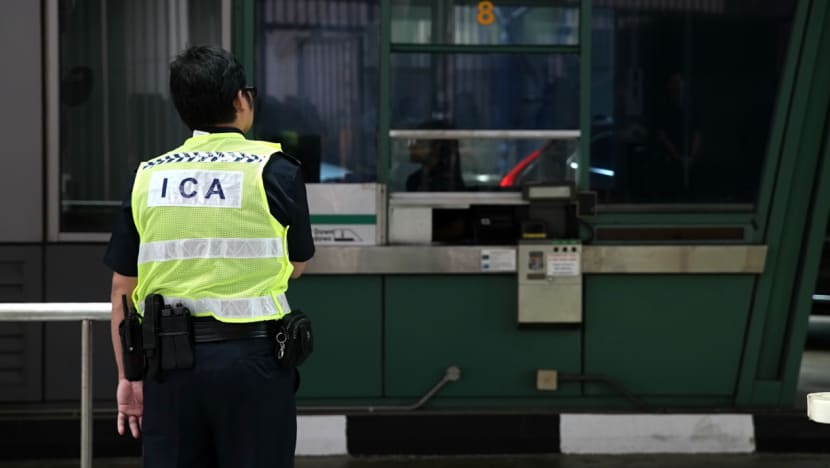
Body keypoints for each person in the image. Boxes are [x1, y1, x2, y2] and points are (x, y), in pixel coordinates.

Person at [103, 45, 314, 468]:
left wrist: (129, 376)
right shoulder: (276, 170)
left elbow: (122, 288)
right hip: (254, 362)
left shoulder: (148, 176)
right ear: (241, 99)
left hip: (170, 366)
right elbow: (296, 264)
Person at [405, 119, 465, 192]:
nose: (412, 147)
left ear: (437, 146)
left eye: (419, 141)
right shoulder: (415, 179)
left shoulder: (447, 183)